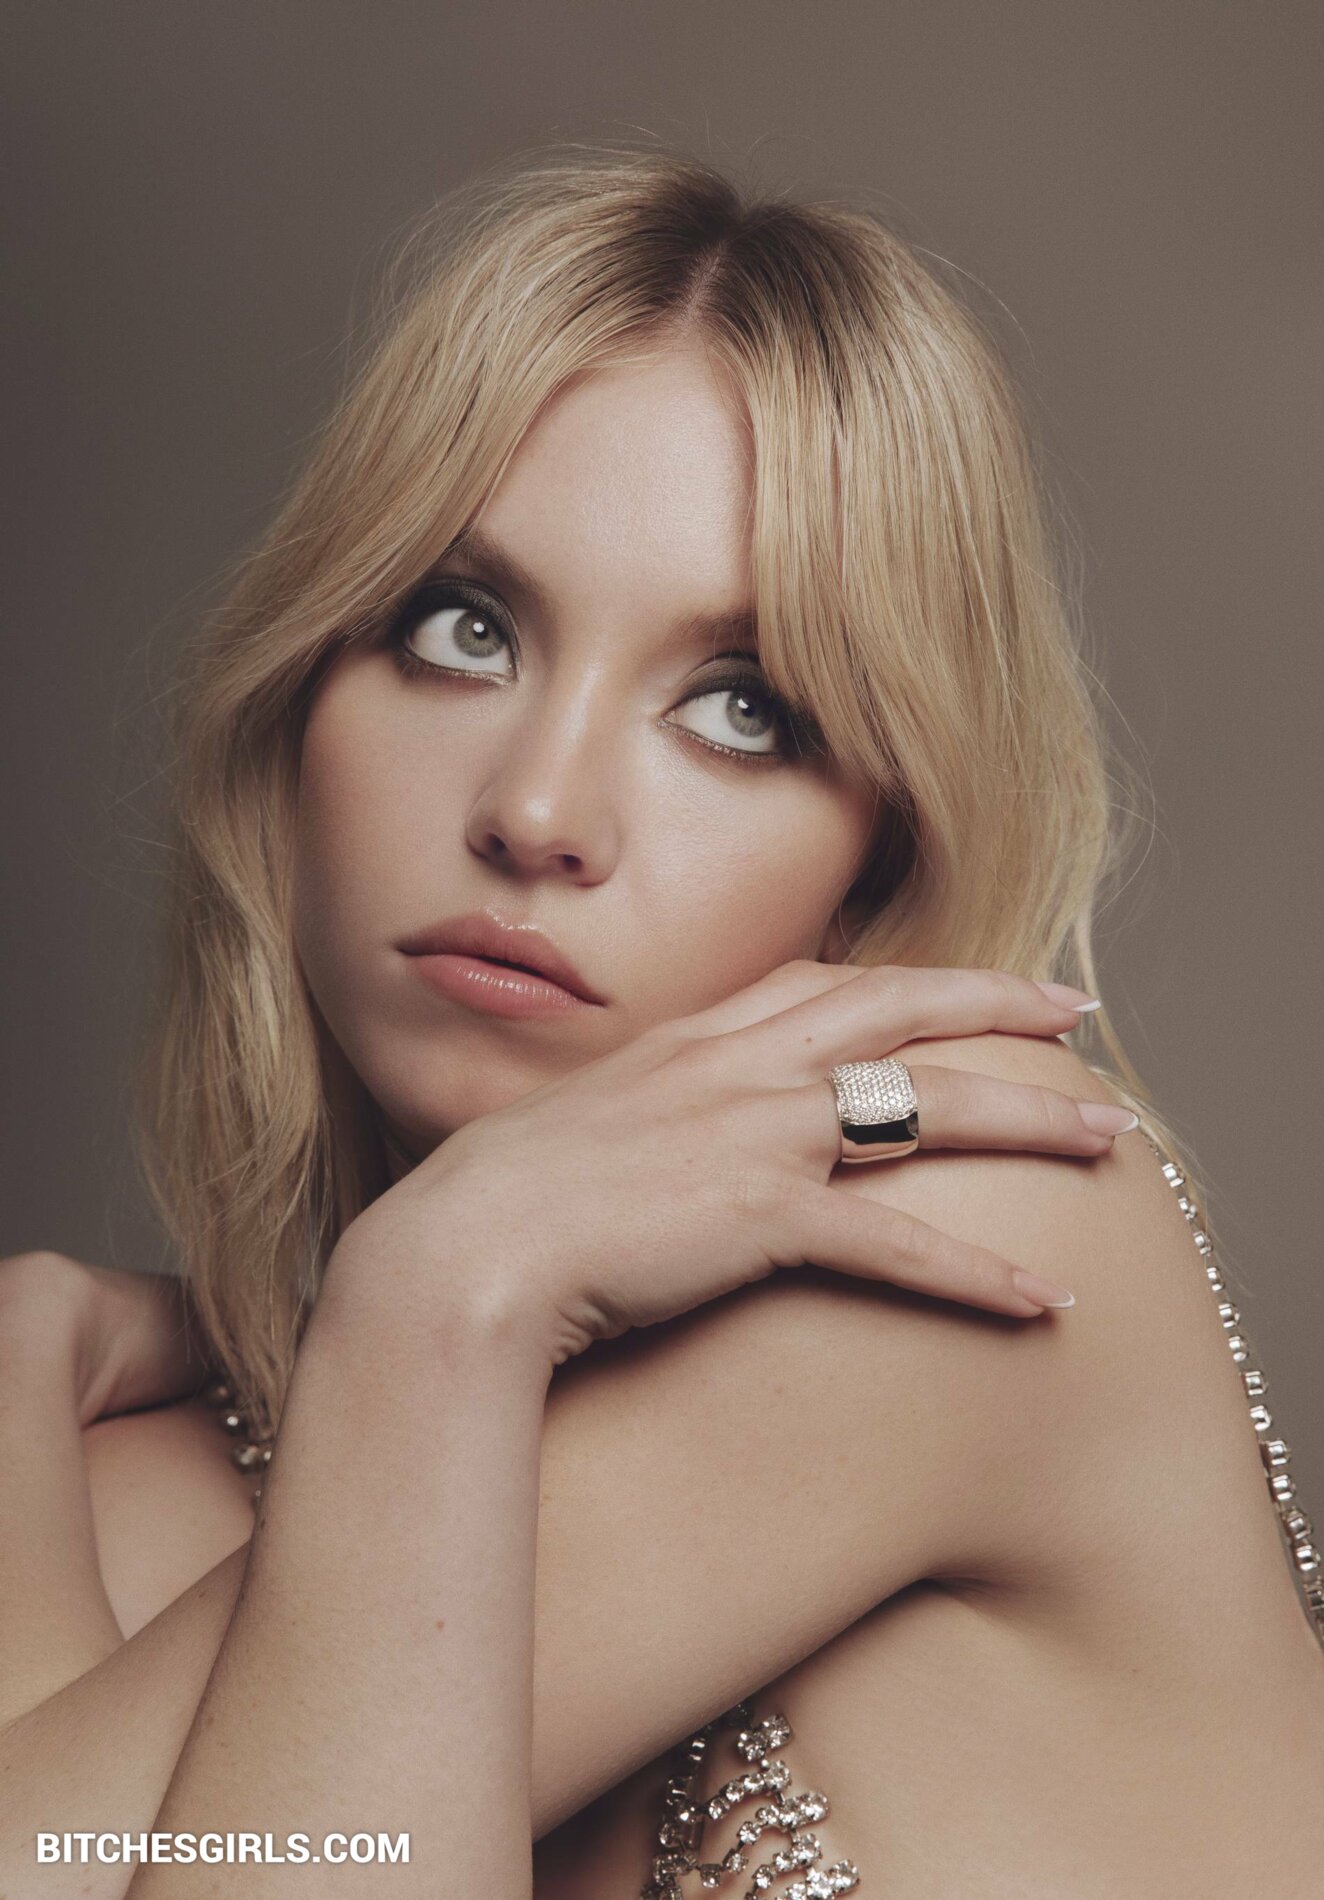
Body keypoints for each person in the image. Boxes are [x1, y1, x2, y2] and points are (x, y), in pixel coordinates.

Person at [1, 143, 1320, 1898]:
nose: (537, 810)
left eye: (743, 709)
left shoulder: (980, 1205)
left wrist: (429, 1299)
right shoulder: (138, 1489)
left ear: (875, 863)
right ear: (302, 698)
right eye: (461, 629)